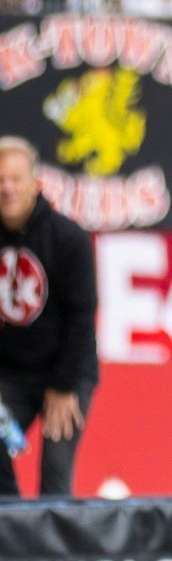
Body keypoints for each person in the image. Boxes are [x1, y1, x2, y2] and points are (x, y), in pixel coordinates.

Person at [0, 138, 97, 499]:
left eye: (15, 179)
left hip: (65, 375)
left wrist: (65, 384)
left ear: (35, 184)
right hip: (11, 377)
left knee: (55, 477)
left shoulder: (68, 238)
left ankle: (50, 552)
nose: (7, 188)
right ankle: (11, 531)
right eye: (0, 180)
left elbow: (82, 317)